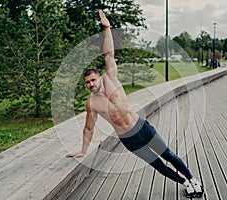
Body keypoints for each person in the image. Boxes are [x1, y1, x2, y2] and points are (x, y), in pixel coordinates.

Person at [66, 10, 204, 198]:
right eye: (87, 82)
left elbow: (109, 53)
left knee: (168, 155)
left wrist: (107, 29)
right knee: (158, 165)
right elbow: (88, 128)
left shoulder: (111, 79)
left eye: (93, 80)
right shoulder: (91, 103)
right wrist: (83, 150)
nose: (91, 84)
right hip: (128, 139)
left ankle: (193, 178)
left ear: (99, 77)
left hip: (142, 128)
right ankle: (185, 183)